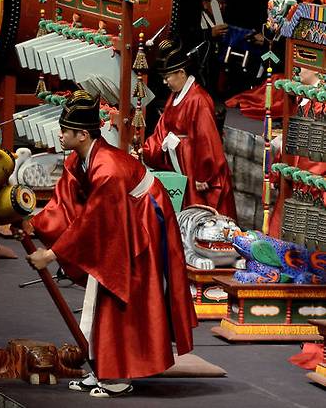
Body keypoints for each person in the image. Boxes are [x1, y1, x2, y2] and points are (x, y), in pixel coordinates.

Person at [23, 90, 197, 398]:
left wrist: (51, 254)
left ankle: (117, 376)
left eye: (65, 131)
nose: (60, 135)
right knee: (99, 293)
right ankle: (102, 369)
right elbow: (65, 202)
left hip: (144, 220)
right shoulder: (82, 159)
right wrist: (31, 222)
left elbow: (93, 224)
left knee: (118, 296)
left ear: (82, 134)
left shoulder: (107, 170)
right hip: (120, 215)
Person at [142, 38, 238, 220]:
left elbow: (206, 138)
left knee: (202, 215)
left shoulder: (198, 99)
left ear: (181, 72)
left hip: (196, 165)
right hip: (181, 163)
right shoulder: (176, 96)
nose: (165, 82)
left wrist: (204, 175)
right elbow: (164, 127)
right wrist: (150, 148)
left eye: (167, 77)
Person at [268, 68, 326, 237]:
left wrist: (304, 183)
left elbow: (317, 158)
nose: (297, 70)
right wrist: (278, 171)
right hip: (292, 181)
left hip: (310, 186)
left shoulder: (321, 104)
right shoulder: (303, 96)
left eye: (303, 67)